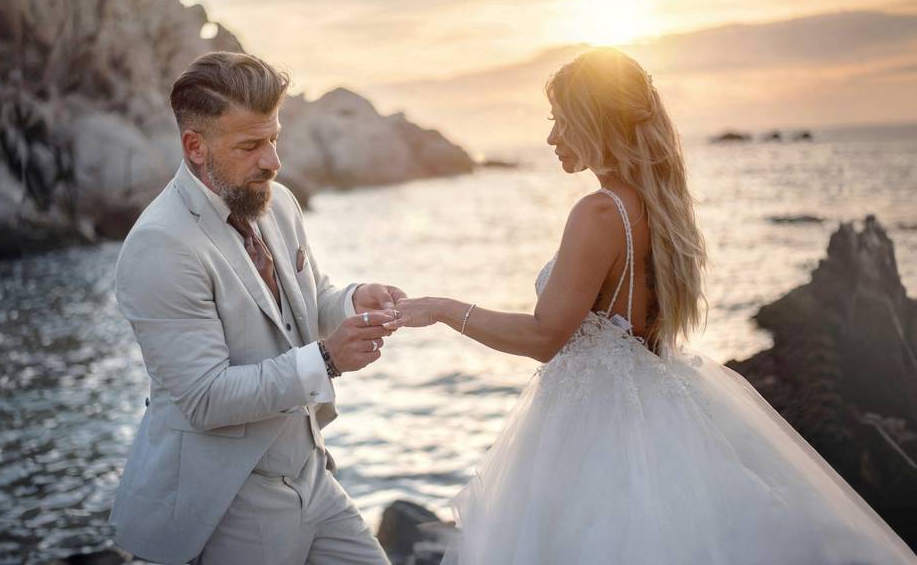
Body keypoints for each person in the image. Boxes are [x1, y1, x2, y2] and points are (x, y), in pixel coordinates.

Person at [387, 47, 917, 564]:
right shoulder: (658, 208)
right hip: (655, 407)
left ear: (596, 121)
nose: (550, 137)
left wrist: (441, 308)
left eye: (561, 120)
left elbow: (543, 337)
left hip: (595, 427)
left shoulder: (599, 212)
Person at [109, 51, 400, 565]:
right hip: (230, 497)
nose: (272, 161)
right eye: (250, 145)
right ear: (195, 147)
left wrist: (353, 299)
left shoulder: (276, 200)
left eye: (273, 139)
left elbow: (308, 302)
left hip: (313, 476)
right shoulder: (160, 245)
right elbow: (206, 398)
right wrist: (329, 360)